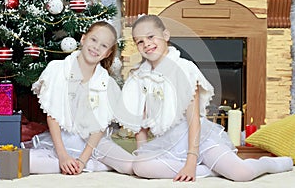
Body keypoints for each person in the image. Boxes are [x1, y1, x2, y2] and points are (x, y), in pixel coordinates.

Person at [114, 15, 293, 182]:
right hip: (168, 144)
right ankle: (211, 171)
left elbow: (193, 119)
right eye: (140, 41)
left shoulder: (184, 69)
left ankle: (272, 163)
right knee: (140, 167)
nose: (147, 44)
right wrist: (143, 153)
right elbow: (140, 124)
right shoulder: (139, 76)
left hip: (199, 139)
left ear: (166, 35)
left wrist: (191, 162)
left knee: (241, 174)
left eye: (151, 37)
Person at [28, 21, 133, 175]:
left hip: (94, 144)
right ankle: (85, 165)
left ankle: (86, 164)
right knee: (25, 162)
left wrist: (83, 160)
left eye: (104, 46)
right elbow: (53, 116)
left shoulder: (108, 84)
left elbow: (99, 127)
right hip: (62, 141)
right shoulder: (57, 69)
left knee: (132, 166)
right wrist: (63, 156)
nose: (96, 47)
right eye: (94, 40)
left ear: (108, 53)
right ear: (83, 39)